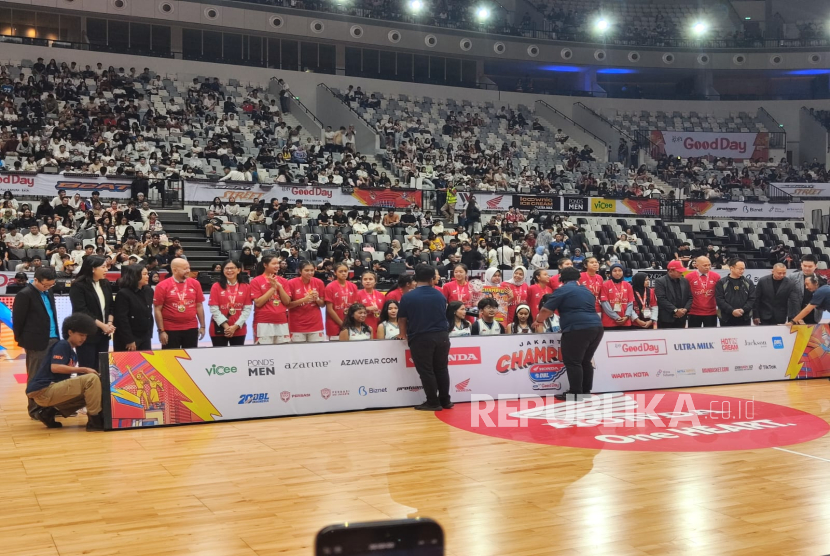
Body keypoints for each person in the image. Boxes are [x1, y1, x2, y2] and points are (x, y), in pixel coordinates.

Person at [26, 313, 104, 431]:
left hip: (49, 391)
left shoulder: (72, 353)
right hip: (44, 390)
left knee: (91, 392)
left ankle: (47, 413)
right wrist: (84, 369)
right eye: (81, 335)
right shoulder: (62, 345)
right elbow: (55, 367)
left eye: (85, 336)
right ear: (70, 332)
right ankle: (94, 421)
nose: (83, 338)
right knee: (92, 379)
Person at [535, 267, 603, 401]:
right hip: (597, 327)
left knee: (573, 362)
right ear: (578, 278)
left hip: (577, 328)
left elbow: (545, 310)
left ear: (561, 279)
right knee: (585, 360)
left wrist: (538, 321)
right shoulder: (587, 291)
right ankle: (585, 390)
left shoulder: (562, 290)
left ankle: (575, 393)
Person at [398, 264, 452, 411]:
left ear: (415, 277)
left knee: (426, 371)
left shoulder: (408, 296)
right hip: (442, 336)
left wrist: (403, 334)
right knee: (441, 369)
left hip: (421, 337)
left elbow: (402, 318)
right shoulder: (439, 295)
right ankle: (445, 401)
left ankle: (433, 402)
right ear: (432, 278)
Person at [12, 267, 60, 418]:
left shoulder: (49, 291)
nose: (47, 288)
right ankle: (35, 410)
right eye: (45, 285)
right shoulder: (24, 294)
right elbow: (18, 320)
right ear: (36, 280)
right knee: (36, 376)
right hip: (36, 342)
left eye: (51, 285)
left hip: (54, 338)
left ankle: (51, 408)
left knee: (54, 376)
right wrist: (22, 340)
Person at [68, 256, 115, 369]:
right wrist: (103, 325)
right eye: (103, 267)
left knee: (102, 368)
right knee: (88, 368)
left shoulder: (106, 284)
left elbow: (110, 306)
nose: (106, 270)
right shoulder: (78, 286)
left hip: (103, 334)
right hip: (86, 334)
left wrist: (109, 323)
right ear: (93, 269)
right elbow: (82, 311)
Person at [154, 258, 206, 348]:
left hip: (191, 327)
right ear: (175, 270)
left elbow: (199, 305)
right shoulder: (162, 286)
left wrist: (202, 326)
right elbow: (157, 309)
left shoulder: (195, 283)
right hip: (170, 329)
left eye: (188, 268)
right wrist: (161, 331)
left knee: (191, 358)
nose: (188, 271)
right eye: (185, 268)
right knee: (170, 360)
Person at [249, 255, 292, 344]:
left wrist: (279, 287)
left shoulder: (283, 281)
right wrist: (272, 288)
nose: (277, 266)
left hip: (281, 320)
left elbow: (287, 302)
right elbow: (258, 303)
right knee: (264, 353)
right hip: (263, 322)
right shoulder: (256, 281)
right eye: (274, 263)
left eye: (278, 263)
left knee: (282, 352)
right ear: (265, 265)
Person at [208, 260, 252, 347]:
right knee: (220, 358)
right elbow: (214, 309)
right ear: (223, 271)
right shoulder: (216, 286)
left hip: (239, 329)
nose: (229, 271)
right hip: (219, 329)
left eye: (232, 268)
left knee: (237, 358)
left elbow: (247, 309)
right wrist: (227, 327)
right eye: (226, 268)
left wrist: (235, 327)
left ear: (238, 270)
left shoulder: (246, 287)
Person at [112, 265, 154, 351]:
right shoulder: (123, 293)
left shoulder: (148, 290)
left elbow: (148, 313)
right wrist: (129, 339)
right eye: (145, 274)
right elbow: (121, 319)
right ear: (135, 275)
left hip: (145, 335)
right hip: (129, 336)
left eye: (147, 274)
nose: (147, 276)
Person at [286, 260, 326, 342]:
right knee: (298, 353)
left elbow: (322, 305)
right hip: (297, 325)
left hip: (315, 324)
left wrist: (317, 299)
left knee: (316, 352)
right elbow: (287, 305)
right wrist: (303, 300)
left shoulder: (319, 282)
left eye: (312, 270)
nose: (310, 273)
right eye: (306, 270)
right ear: (300, 271)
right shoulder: (291, 283)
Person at [789, 255, 828, 325]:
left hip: (813, 314)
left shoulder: (822, 279)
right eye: (804, 265)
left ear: (815, 266)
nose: (806, 268)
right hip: (795, 312)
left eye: (810, 266)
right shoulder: (792, 277)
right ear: (801, 264)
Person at [324, 262, 359, 340]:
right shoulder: (330, 287)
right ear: (335, 273)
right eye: (340, 271)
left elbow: (355, 307)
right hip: (334, 324)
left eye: (345, 271)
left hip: (350, 323)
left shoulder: (353, 286)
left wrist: (351, 323)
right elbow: (330, 309)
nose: (344, 273)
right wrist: (342, 324)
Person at [654, 260, 692, 328]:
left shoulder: (685, 281)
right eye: (678, 271)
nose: (681, 272)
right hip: (666, 318)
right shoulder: (660, 281)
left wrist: (685, 310)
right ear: (671, 271)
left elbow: (690, 297)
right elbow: (661, 299)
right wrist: (675, 310)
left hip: (682, 317)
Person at [685, 256, 719, 328]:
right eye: (705, 265)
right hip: (694, 312)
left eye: (709, 265)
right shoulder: (689, 277)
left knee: (711, 335)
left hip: (711, 312)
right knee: (694, 336)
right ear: (697, 265)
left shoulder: (716, 276)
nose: (708, 267)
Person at [600, 263, 634, 329]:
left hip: (625, 321)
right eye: (614, 271)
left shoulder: (628, 285)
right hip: (609, 321)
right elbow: (604, 303)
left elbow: (630, 303)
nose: (617, 273)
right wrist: (616, 317)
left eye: (620, 271)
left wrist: (626, 316)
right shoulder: (605, 285)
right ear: (610, 273)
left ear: (623, 272)